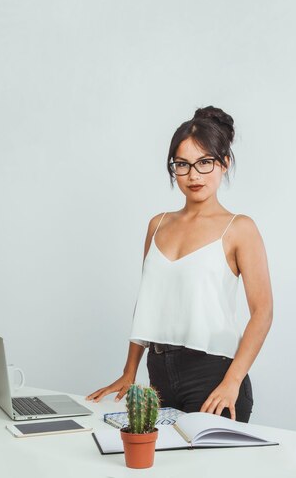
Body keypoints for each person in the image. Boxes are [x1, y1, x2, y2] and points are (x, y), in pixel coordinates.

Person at [85, 105, 273, 422]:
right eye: (182, 165)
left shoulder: (239, 228)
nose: (193, 175)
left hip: (213, 375)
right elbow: (147, 302)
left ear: (224, 163)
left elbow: (263, 311)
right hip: (158, 374)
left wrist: (232, 381)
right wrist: (129, 370)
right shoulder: (157, 224)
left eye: (205, 163)